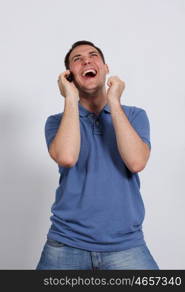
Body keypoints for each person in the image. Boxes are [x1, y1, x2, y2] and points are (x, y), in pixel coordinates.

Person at [36, 40, 159, 270]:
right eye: (77, 59)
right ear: (69, 75)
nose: (86, 61)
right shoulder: (56, 123)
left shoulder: (134, 116)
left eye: (93, 56)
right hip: (66, 243)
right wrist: (70, 98)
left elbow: (136, 162)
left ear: (105, 68)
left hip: (125, 245)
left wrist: (113, 101)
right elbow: (67, 157)